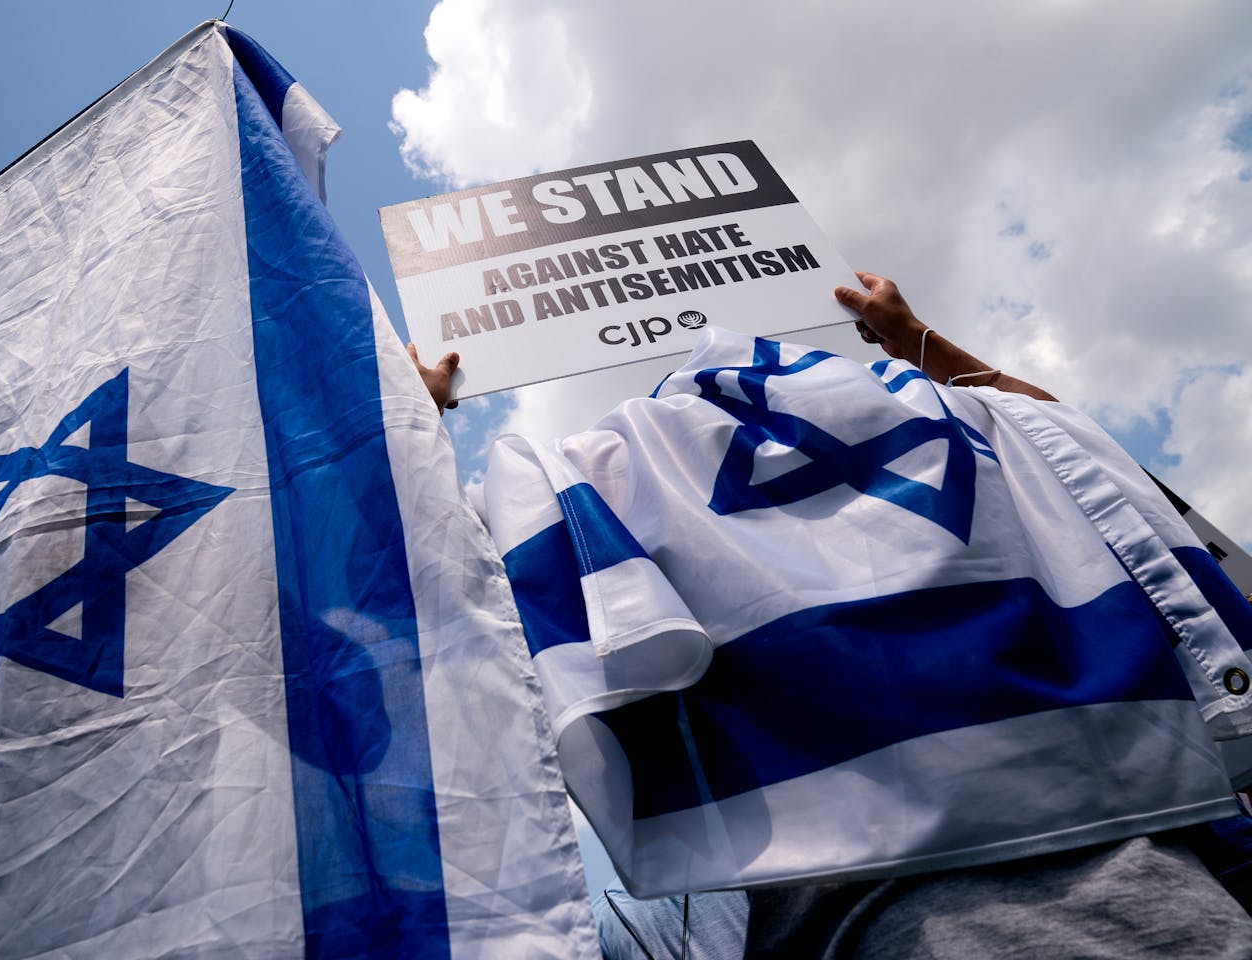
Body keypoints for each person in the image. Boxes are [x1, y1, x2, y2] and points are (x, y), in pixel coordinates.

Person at [409, 273, 1252, 959]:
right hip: (1135, 859)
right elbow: (1064, 440)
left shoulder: (598, 492)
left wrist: (410, 420)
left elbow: (430, 569)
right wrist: (918, 343)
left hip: (902, 907)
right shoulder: (954, 426)